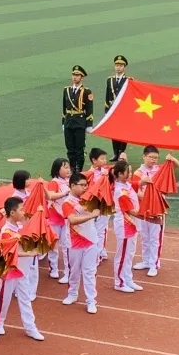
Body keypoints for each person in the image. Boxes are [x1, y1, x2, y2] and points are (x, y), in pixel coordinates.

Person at [0, 197, 44, 340]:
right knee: (3, 300)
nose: (24, 212)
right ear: (12, 212)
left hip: (22, 271)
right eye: (21, 209)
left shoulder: (19, 227)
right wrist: (30, 253)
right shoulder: (6, 231)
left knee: (25, 298)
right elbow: (11, 252)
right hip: (10, 271)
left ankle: (30, 327)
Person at [132, 147, 179, 277]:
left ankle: (154, 264)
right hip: (143, 210)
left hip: (157, 209)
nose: (153, 160)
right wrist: (148, 197)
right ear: (144, 156)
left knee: (155, 238)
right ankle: (146, 261)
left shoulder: (159, 169)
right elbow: (137, 191)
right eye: (151, 157)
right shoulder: (138, 172)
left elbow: (175, 165)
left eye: (156, 158)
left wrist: (171, 159)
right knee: (145, 236)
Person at [59, 174, 101, 313]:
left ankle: (91, 301)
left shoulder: (89, 200)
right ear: (72, 186)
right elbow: (72, 220)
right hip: (74, 242)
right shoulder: (67, 203)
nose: (85, 187)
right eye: (81, 185)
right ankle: (72, 294)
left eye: (86, 185)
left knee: (89, 272)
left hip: (91, 241)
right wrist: (92, 215)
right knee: (74, 271)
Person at [111, 161, 145, 293]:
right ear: (120, 174)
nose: (130, 174)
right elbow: (130, 210)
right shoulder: (119, 190)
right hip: (125, 224)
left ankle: (128, 279)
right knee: (122, 255)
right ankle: (119, 282)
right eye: (128, 172)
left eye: (131, 171)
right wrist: (148, 213)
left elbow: (135, 185)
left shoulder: (127, 184)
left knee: (130, 254)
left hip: (132, 223)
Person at [62, 65, 94, 173]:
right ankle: (71, 168)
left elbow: (89, 109)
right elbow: (64, 108)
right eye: (73, 75)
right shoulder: (66, 90)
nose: (74, 77)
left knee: (79, 149)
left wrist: (89, 124)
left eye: (77, 75)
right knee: (70, 148)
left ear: (81, 77)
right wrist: (63, 122)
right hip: (68, 122)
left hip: (80, 122)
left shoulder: (86, 92)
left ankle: (78, 169)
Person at [105, 55, 130, 161]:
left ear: (124, 67)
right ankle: (115, 152)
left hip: (124, 110)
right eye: (117, 65)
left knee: (123, 131)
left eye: (121, 65)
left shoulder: (128, 80)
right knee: (113, 132)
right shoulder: (110, 80)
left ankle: (121, 152)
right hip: (113, 109)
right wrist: (107, 111)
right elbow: (107, 96)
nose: (118, 67)